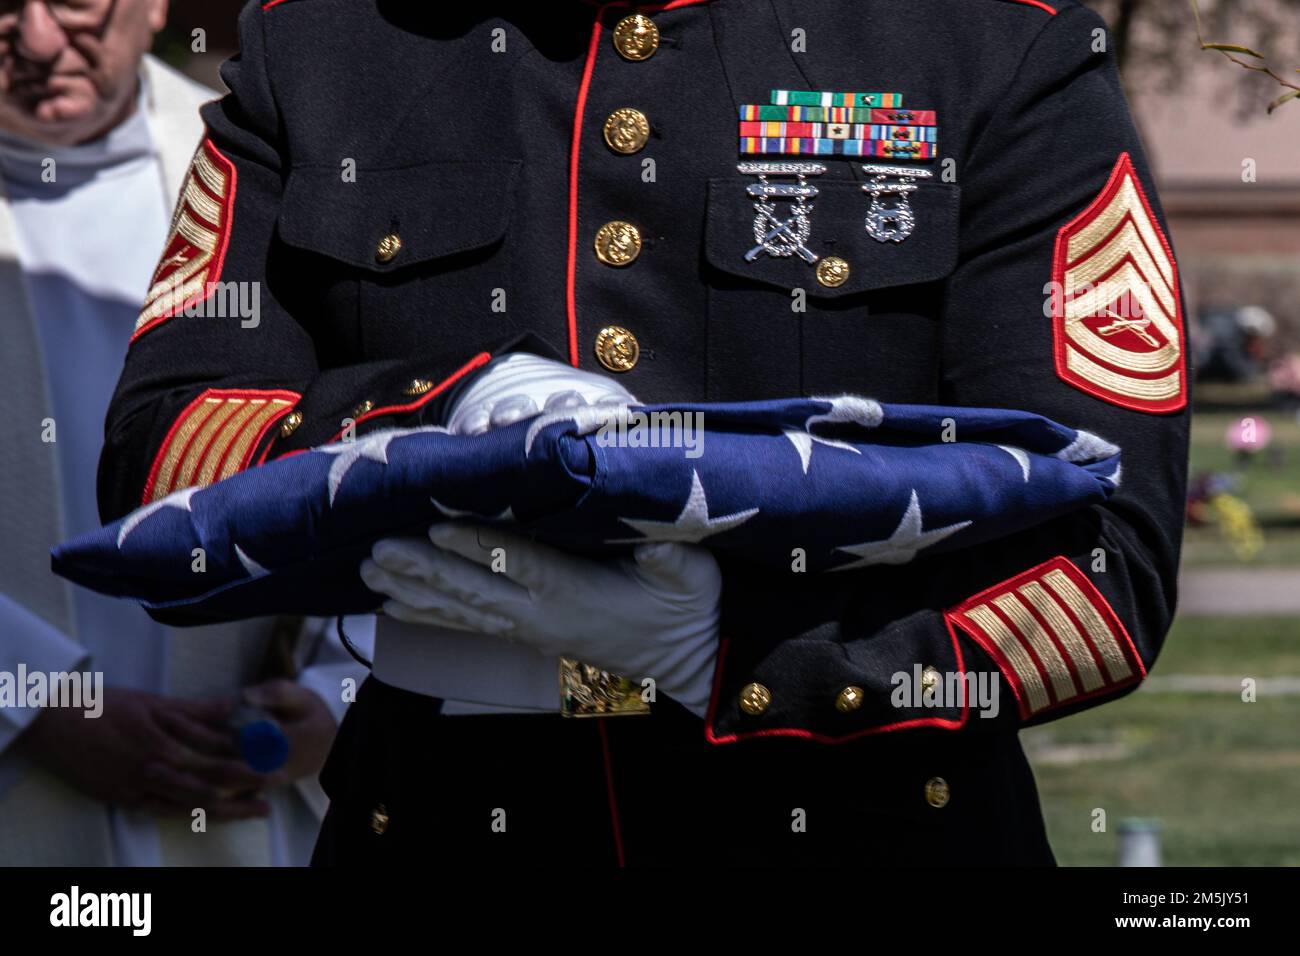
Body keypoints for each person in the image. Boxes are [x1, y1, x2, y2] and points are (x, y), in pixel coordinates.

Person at [96, 0, 1191, 865]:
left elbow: (1103, 562)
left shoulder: (990, 44)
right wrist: (436, 416)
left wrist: (741, 651)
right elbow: (164, 459)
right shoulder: (324, 44)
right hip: (441, 825)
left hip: (872, 828)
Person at [0, 0, 366, 866]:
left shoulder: (267, 152)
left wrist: (333, 696)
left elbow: (382, 424)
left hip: (252, 802)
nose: (43, 40)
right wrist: (29, 699)